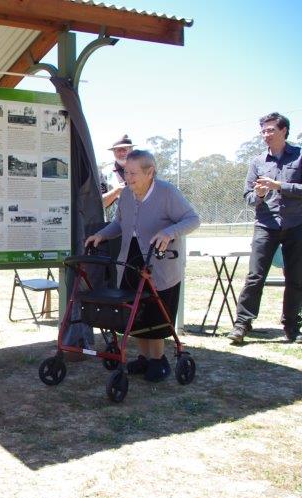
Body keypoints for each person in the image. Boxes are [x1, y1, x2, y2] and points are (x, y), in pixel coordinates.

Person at [86, 150, 200, 382]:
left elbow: (192, 219)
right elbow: (119, 223)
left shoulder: (167, 192)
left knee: (156, 310)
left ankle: (158, 360)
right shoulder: (126, 194)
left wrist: (169, 232)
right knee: (135, 309)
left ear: (150, 172)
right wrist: (101, 235)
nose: (128, 177)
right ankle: (143, 357)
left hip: (161, 262)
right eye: (126, 172)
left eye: (133, 173)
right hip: (132, 258)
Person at [227, 112, 302, 344]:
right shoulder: (257, 161)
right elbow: (248, 197)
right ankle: (242, 324)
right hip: (265, 225)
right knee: (254, 276)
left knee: (296, 278)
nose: (266, 135)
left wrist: (279, 186)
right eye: (263, 131)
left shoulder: (299, 156)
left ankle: (292, 326)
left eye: (270, 130)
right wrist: (258, 194)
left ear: (284, 131)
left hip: (296, 224)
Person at [100, 134, 135, 221]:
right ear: (113, 152)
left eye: (125, 149)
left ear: (132, 150)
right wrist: (117, 191)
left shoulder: (145, 169)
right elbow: (99, 204)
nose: (122, 153)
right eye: (118, 150)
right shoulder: (104, 173)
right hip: (114, 230)